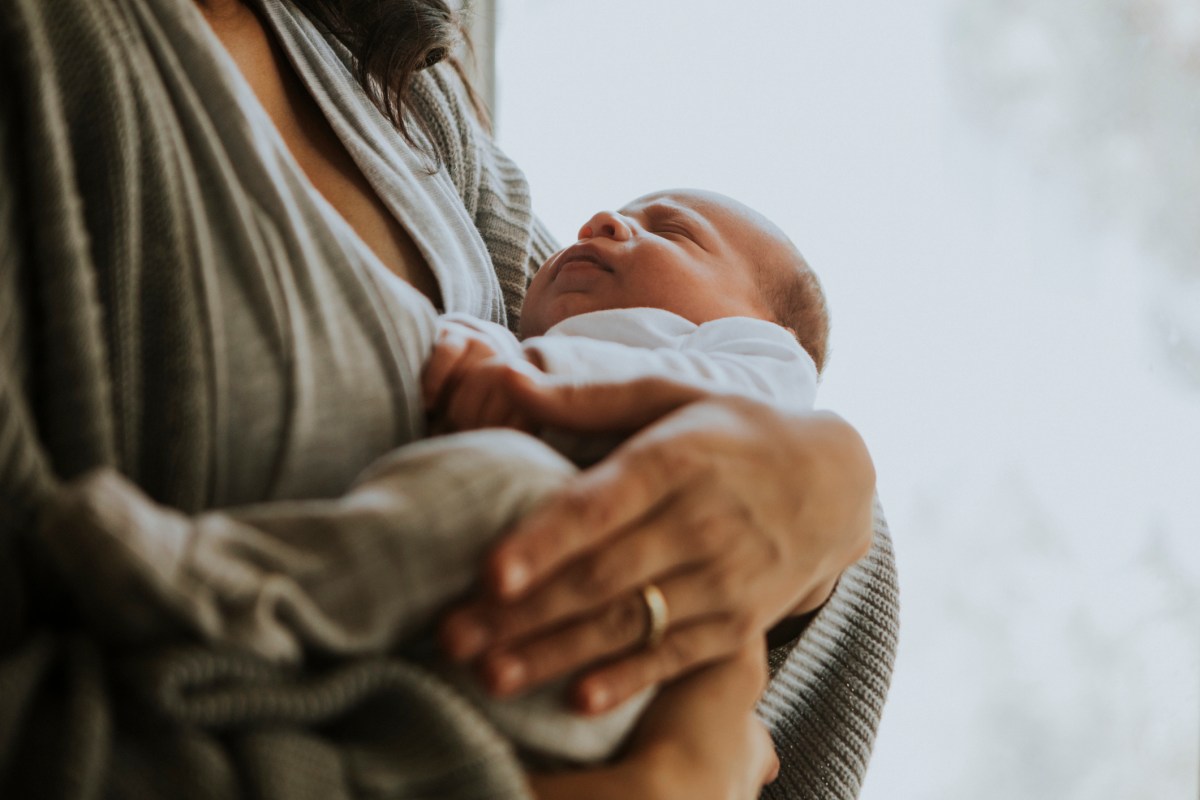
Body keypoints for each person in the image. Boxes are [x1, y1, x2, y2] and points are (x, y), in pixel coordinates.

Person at [0, 1, 898, 799]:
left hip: (579, 627)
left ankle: (234, 584)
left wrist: (829, 483)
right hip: (517, 658)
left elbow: (850, 545)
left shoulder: (391, 85)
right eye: (620, 213)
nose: (603, 225)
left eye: (672, 229)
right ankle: (238, 590)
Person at [425, 187, 829, 438]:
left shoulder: (762, 355)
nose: (600, 222)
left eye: (672, 230)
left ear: (763, 326)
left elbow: (771, 410)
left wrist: (538, 367)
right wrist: (473, 345)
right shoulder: (523, 347)